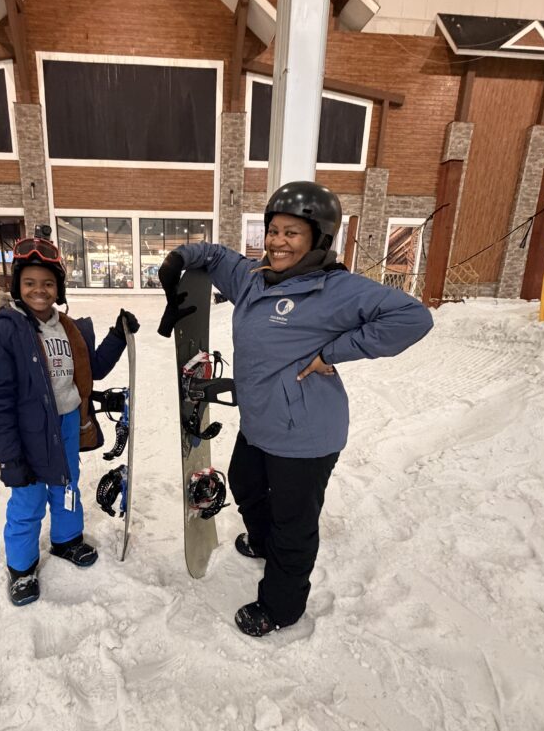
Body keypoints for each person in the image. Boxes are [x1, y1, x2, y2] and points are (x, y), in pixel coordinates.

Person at [157, 181, 433, 638]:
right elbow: (218, 256)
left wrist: (336, 352)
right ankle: (262, 541)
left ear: (318, 239)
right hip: (262, 422)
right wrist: (180, 258)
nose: (277, 242)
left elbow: (413, 317)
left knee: (294, 523)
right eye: (273, 231)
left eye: (292, 233)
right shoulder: (253, 279)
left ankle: (281, 606)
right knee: (245, 483)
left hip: (305, 435)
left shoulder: (336, 289)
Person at [0, 235, 139, 606]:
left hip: (67, 423)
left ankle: (66, 540)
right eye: (30, 283)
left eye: (48, 283)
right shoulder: (2, 332)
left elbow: (91, 368)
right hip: (28, 432)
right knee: (28, 497)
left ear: (59, 287)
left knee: (67, 486)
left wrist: (117, 335)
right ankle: (21, 568)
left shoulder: (68, 328)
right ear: (17, 286)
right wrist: (10, 457)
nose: (39, 290)